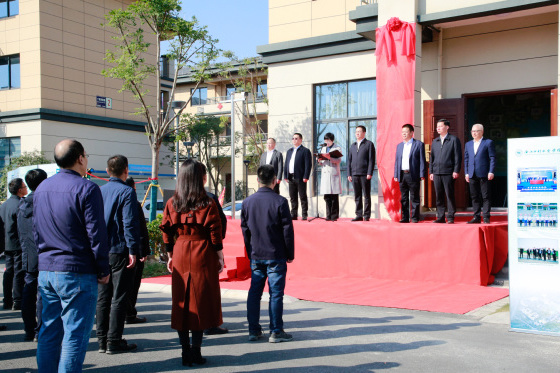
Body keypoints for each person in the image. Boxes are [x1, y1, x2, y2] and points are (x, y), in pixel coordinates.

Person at [34, 139, 110, 372]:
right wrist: (103, 268)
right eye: (85, 155)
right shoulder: (87, 188)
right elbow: (96, 234)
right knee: (75, 334)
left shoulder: (41, 188)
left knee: (48, 330)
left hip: (47, 268)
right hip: (77, 269)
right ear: (80, 158)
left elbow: (36, 229)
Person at [159, 159, 224, 367]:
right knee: (201, 301)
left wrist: (170, 254)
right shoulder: (208, 202)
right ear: (199, 178)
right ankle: (196, 351)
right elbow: (215, 231)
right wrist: (220, 255)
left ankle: (185, 351)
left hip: (180, 250)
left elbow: (166, 231)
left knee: (182, 302)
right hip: (203, 251)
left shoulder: (172, 202)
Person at [241, 164, 295, 343]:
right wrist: (290, 253)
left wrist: (250, 252)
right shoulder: (280, 201)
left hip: (256, 254)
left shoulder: (247, 202)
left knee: (254, 293)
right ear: (274, 181)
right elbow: (287, 230)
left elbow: (245, 231)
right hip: (275, 254)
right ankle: (276, 331)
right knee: (276, 293)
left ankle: (253, 330)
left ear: (257, 180)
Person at [97, 155, 141, 354]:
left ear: (107, 171)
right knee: (119, 296)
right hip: (120, 249)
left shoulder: (98, 191)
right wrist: (133, 249)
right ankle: (114, 341)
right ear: (126, 170)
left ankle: (101, 340)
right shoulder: (126, 192)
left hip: (101, 250)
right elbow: (129, 223)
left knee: (103, 296)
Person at [17, 168, 48, 342]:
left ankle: (29, 330)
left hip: (28, 255)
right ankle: (40, 330)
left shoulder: (22, 205)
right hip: (44, 255)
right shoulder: (45, 203)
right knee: (42, 295)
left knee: (28, 294)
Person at [124, 177, 149, 325]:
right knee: (132, 285)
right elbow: (140, 230)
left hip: (114, 249)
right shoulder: (133, 202)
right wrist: (143, 250)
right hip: (133, 250)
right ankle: (129, 313)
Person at [1, 178, 27, 311]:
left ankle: (7, 300)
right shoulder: (21, 204)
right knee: (18, 272)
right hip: (18, 243)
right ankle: (17, 300)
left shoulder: (4, 205)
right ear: (19, 190)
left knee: (8, 272)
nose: (26, 188)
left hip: (6, 243)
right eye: (24, 186)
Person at [429, 119, 462, 224]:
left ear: (447, 127)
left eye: (440, 126)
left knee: (449, 194)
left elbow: (457, 157)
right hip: (437, 172)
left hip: (448, 172)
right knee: (439, 195)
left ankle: (451, 216)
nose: (438, 128)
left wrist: (456, 170)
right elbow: (432, 158)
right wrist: (431, 172)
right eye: (437, 126)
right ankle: (440, 216)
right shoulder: (435, 141)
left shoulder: (453, 140)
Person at [393, 124, 426, 223]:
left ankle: (415, 217)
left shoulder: (418, 144)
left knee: (415, 197)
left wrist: (422, 174)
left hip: (413, 174)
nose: (403, 134)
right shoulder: (399, 146)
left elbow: (422, 160)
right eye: (402, 132)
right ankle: (405, 217)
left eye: (406, 132)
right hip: (402, 175)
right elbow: (397, 161)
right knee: (403, 198)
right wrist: (396, 174)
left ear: (412, 133)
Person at [464, 124, 496, 224]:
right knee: (474, 196)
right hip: (472, 173)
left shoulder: (488, 142)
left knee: (485, 196)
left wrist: (491, 171)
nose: (474, 133)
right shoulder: (468, 144)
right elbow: (466, 159)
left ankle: (486, 217)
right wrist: (466, 173)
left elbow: (492, 158)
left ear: (482, 132)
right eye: (472, 131)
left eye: (476, 131)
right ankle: (476, 217)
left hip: (484, 173)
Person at [348, 125, 376, 221]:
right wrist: (349, 173)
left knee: (366, 195)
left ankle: (366, 215)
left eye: (359, 131)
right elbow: (349, 161)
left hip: (365, 174)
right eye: (356, 131)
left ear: (364, 133)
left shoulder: (369, 144)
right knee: (357, 195)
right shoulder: (353, 145)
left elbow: (371, 160)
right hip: (354, 174)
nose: (357, 133)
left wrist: (369, 172)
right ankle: (359, 215)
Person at [283, 133, 312, 220]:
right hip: (291, 177)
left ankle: (304, 214)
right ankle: (294, 214)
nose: (294, 140)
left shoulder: (305, 151)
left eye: (296, 138)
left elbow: (308, 165)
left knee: (302, 196)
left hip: (300, 177)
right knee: (293, 197)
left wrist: (306, 176)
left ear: (300, 140)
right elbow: (286, 164)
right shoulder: (289, 151)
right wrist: (285, 175)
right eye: (293, 138)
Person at [318, 132, 342, 221]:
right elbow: (321, 161)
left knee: (334, 196)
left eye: (328, 140)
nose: (327, 142)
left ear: (332, 140)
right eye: (325, 140)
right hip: (325, 174)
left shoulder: (337, 148)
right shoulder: (323, 148)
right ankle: (328, 215)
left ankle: (334, 215)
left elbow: (339, 160)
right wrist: (319, 160)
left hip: (333, 173)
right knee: (327, 196)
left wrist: (329, 158)